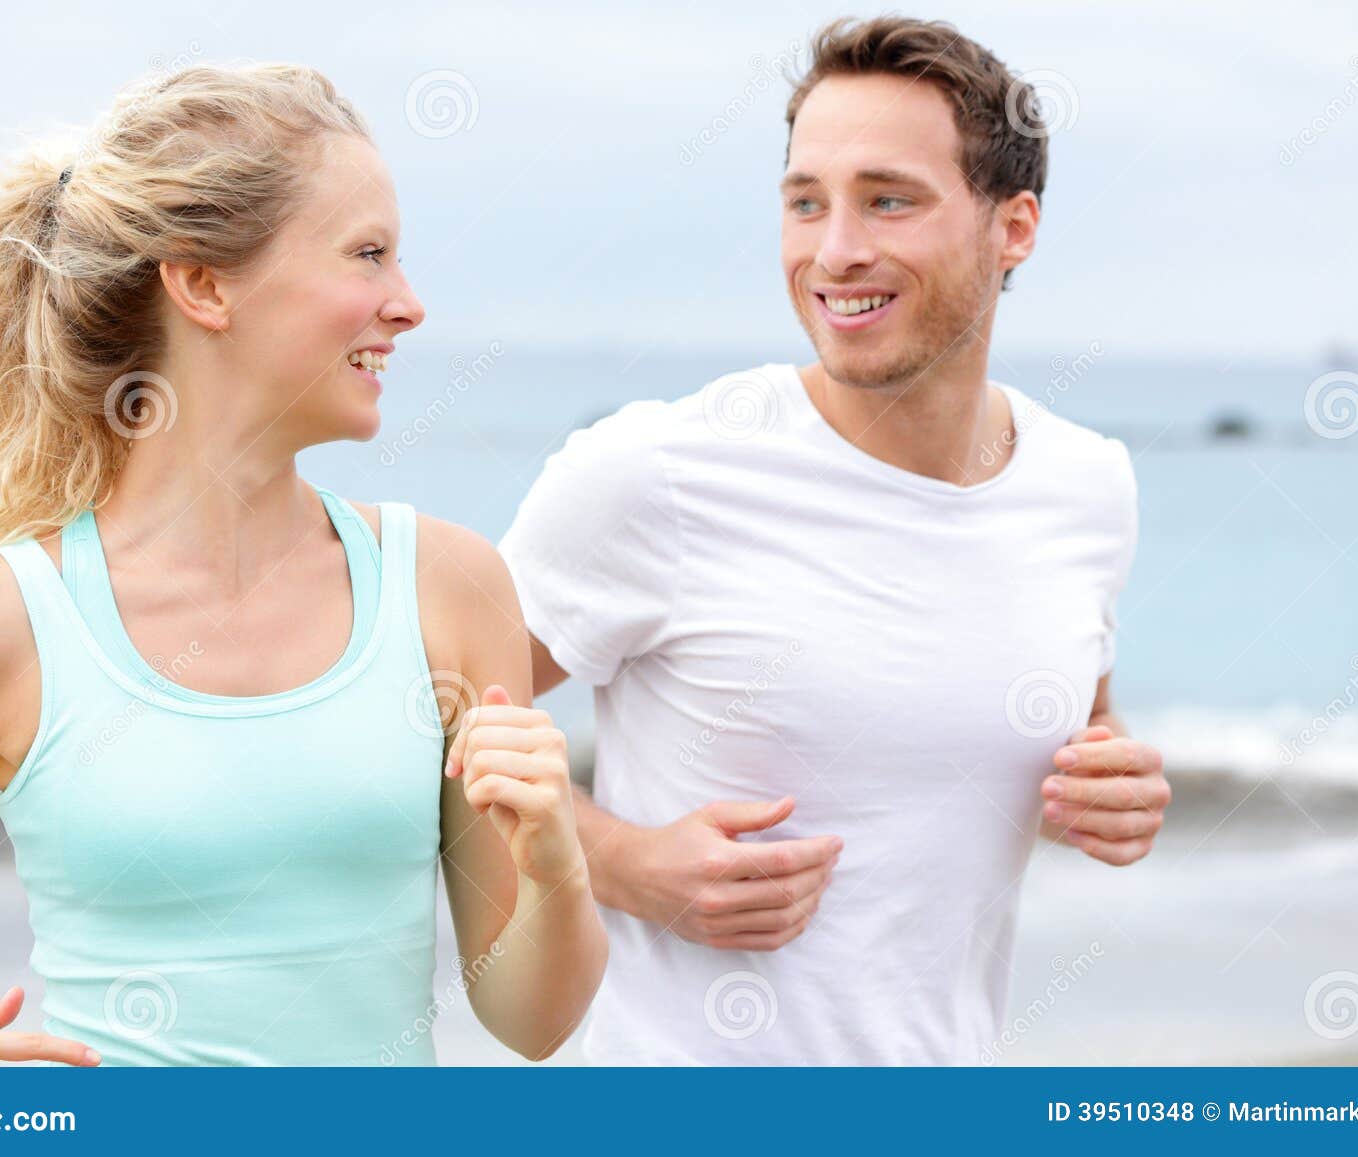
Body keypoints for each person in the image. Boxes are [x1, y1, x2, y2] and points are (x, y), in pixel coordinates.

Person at [0, 63, 605, 1066]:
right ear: (206, 283)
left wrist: (557, 867)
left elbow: (530, 1020)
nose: (408, 305)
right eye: (368, 255)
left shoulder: (448, 584)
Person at [485, 16, 1171, 1064]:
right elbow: (426, 719)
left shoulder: (1086, 485)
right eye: (806, 202)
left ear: (1013, 226)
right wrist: (623, 864)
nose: (835, 249)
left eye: (887, 198)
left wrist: (1113, 794)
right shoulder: (654, 473)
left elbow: (1073, 725)